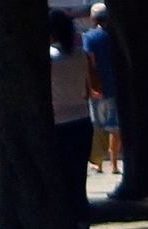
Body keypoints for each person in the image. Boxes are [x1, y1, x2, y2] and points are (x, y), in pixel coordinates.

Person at [49, 7, 96, 217]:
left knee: (60, 179)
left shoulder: (49, 57)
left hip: (57, 124)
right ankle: (81, 222)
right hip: (82, 121)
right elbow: (95, 86)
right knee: (79, 178)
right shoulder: (82, 55)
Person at [84, 4, 122, 172]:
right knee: (115, 127)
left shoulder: (89, 37)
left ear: (93, 18)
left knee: (98, 127)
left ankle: (98, 163)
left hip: (97, 87)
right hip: (116, 86)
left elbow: (89, 61)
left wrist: (91, 85)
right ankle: (114, 164)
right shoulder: (117, 36)